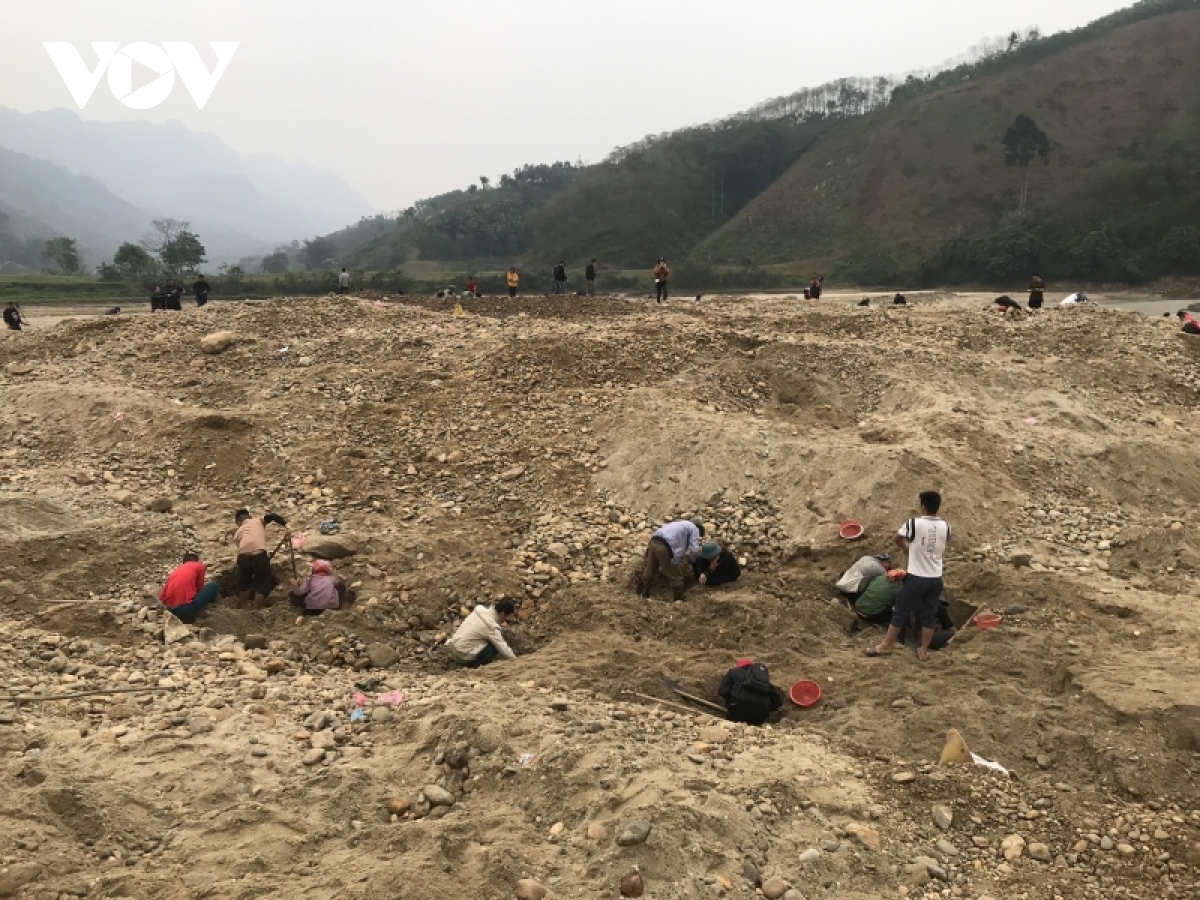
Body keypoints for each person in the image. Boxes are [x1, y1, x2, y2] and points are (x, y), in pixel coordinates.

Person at [867, 491, 951, 662]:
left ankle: (885, 646)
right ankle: (923, 651)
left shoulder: (914, 523)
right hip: (935, 578)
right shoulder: (946, 527)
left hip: (917, 577)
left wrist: (906, 547)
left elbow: (897, 538)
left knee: (900, 611)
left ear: (923, 506)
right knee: (929, 614)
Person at [232, 508, 289, 609]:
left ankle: (243, 606)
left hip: (243, 556)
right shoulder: (258, 520)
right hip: (260, 555)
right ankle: (256, 608)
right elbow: (272, 516)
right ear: (249, 517)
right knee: (262, 584)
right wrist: (286, 525)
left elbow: (240, 547)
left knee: (244, 583)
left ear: (238, 522)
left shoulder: (237, 533)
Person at [639, 517, 704, 601]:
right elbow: (694, 549)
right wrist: (693, 560)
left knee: (650, 570)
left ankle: (644, 593)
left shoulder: (679, 524)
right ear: (698, 527)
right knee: (674, 575)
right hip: (664, 547)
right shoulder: (694, 528)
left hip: (653, 541)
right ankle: (678, 598)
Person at [446, 600, 517, 667]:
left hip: (454, 649)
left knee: (485, 638)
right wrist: (517, 661)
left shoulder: (479, 610)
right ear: (502, 614)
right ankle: (478, 666)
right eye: (507, 616)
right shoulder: (491, 626)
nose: (507, 619)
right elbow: (503, 648)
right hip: (462, 658)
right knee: (493, 647)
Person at [718, 659, 783, 726]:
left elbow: (722, 692)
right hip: (759, 716)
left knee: (729, 701)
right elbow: (777, 702)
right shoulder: (761, 679)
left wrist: (733, 696)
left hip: (736, 712)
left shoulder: (733, 672)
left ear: (739, 666)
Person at [159, 552, 219, 622]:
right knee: (213, 585)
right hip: (185, 609)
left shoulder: (175, 572)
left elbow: (162, 597)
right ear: (196, 561)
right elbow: (200, 588)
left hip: (169, 611)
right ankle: (211, 607)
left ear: (184, 563)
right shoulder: (199, 566)